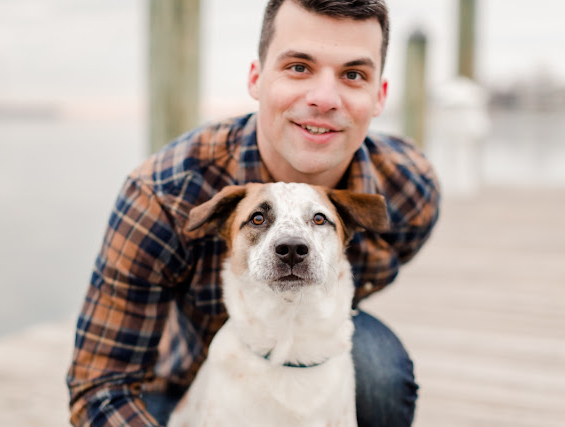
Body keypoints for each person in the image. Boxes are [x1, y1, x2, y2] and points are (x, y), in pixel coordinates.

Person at [67, 0, 440, 426]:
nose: (323, 98)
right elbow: (100, 387)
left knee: (380, 372)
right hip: (176, 381)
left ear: (380, 96)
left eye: (353, 75)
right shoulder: (164, 194)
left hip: (303, 350)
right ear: (257, 79)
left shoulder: (408, 192)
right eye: (299, 66)